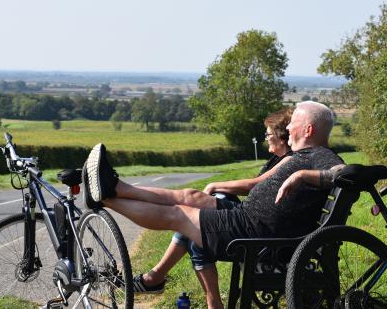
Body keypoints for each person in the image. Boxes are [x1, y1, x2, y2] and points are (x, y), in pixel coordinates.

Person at [82, 101, 344, 309]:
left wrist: (303, 176)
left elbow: (345, 171)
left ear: (308, 130)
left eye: (293, 124)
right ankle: (115, 187)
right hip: (247, 220)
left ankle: (106, 198)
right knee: (189, 196)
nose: (287, 130)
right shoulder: (302, 155)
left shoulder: (319, 155)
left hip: (254, 235)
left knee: (178, 214)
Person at [133, 108, 294, 294]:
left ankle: (157, 278)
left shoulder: (288, 160)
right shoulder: (279, 159)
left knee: (196, 226)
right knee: (201, 216)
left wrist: (214, 184)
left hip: (264, 236)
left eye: (268, 133)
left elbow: (254, 185)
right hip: (259, 225)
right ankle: (157, 277)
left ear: (281, 136)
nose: (265, 137)